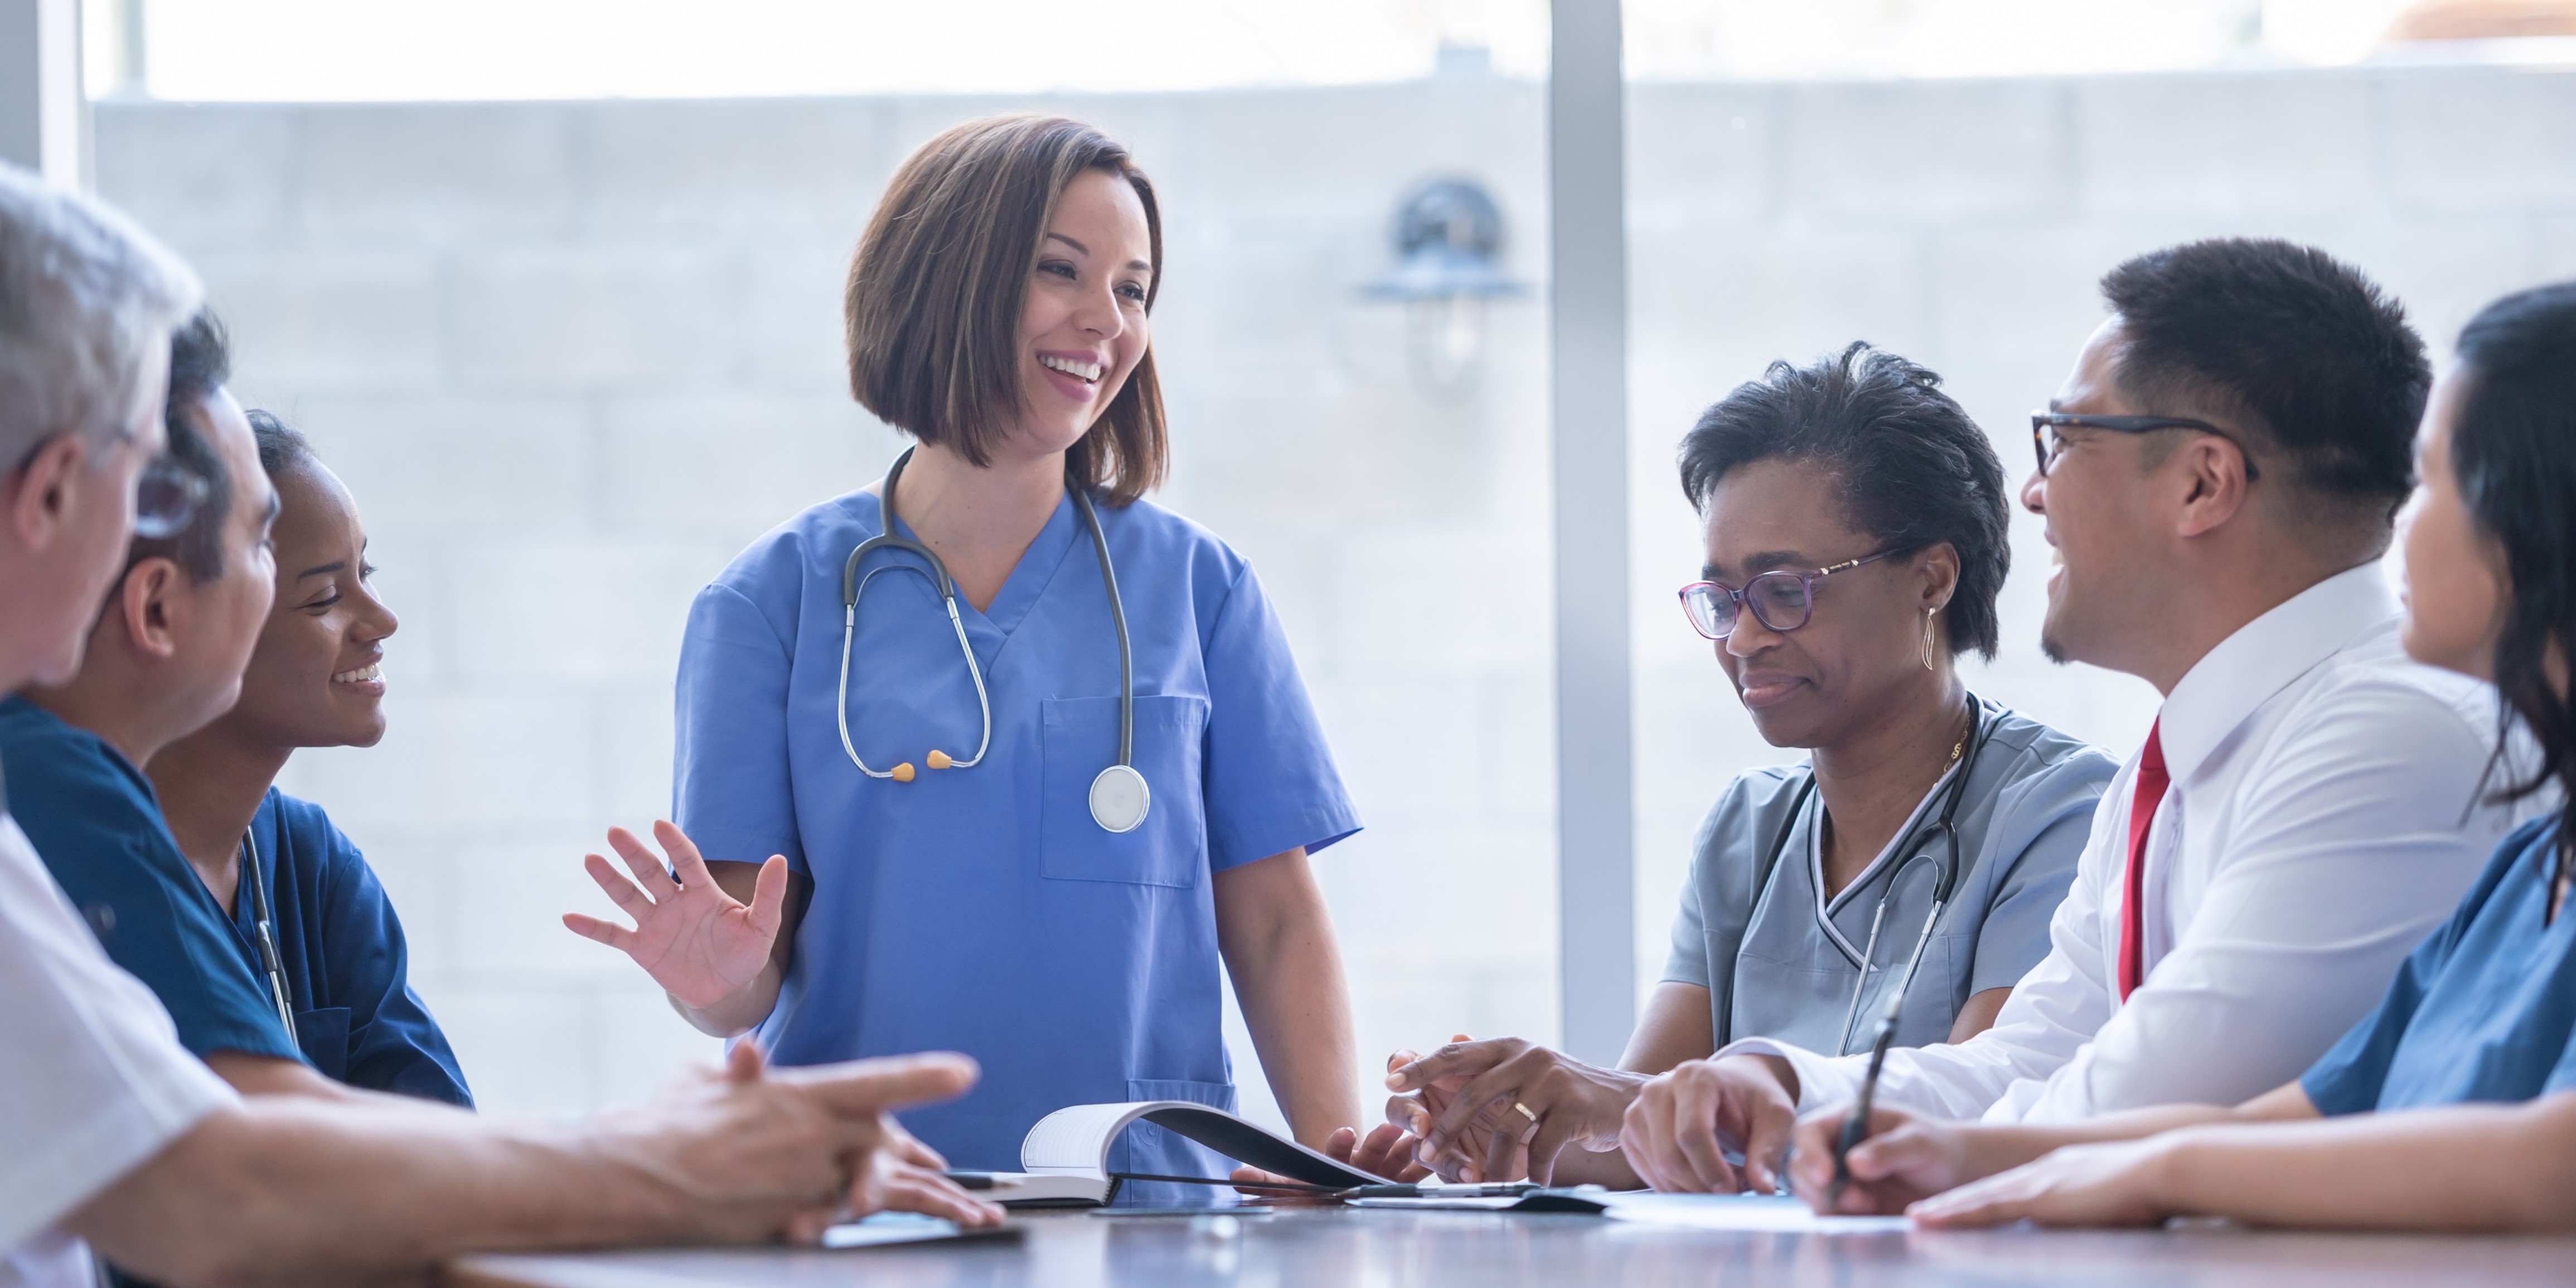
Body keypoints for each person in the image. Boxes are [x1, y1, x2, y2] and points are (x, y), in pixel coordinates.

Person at [0, 163, 997, 1288]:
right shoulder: (35, 781)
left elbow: (358, 1145)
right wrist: (683, 1158)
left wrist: (679, 1153)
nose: (372, 621)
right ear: (53, 499)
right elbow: (222, 1188)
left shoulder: (291, 859)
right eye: (274, 556)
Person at [1618, 238, 2528, 1196]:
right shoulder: (2179, 757)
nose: (2033, 491)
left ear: (2202, 482)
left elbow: (2135, 1098)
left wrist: (1861, 1139)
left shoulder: (2388, 740)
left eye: (2068, 439)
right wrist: (1780, 1082)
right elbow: (2029, 1061)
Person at [569, 114, 1365, 1187]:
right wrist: (704, 985)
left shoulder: (1201, 589)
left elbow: (1270, 922)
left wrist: (1339, 1162)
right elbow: (740, 969)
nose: (1107, 320)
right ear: (948, 278)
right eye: (1061, 270)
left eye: (1134, 289)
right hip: (865, 1202)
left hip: (1147, 1210)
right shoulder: (769, 604)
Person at [1372, 345, 2117, 1188]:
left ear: (1932, 579)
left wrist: (1615, 1103)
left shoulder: (2062, 812)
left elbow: (1990, 1114)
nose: (1743, 637)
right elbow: (1639, 1140)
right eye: (1723, 598)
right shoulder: (1747, 828)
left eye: (1785, 590)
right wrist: (1493, 1126)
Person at [147, 328, 465, 1102]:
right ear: (162, 612)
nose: (381, 620)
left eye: (367, 573)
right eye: (324, 596)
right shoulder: (83, 854)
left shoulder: (308, 862)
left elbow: (438, 1136)